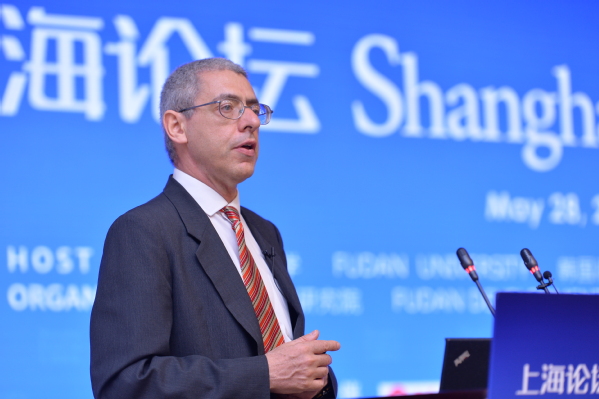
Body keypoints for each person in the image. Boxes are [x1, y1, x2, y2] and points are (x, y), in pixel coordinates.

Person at [89, 58, 340, 399]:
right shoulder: (143, 231)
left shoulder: (265, 233)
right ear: (177, 127)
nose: (251, 121)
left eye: (254, 109)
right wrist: (264, 374)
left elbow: (284, 366)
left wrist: (318, 380)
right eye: (228, 108)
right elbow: (126, 383)